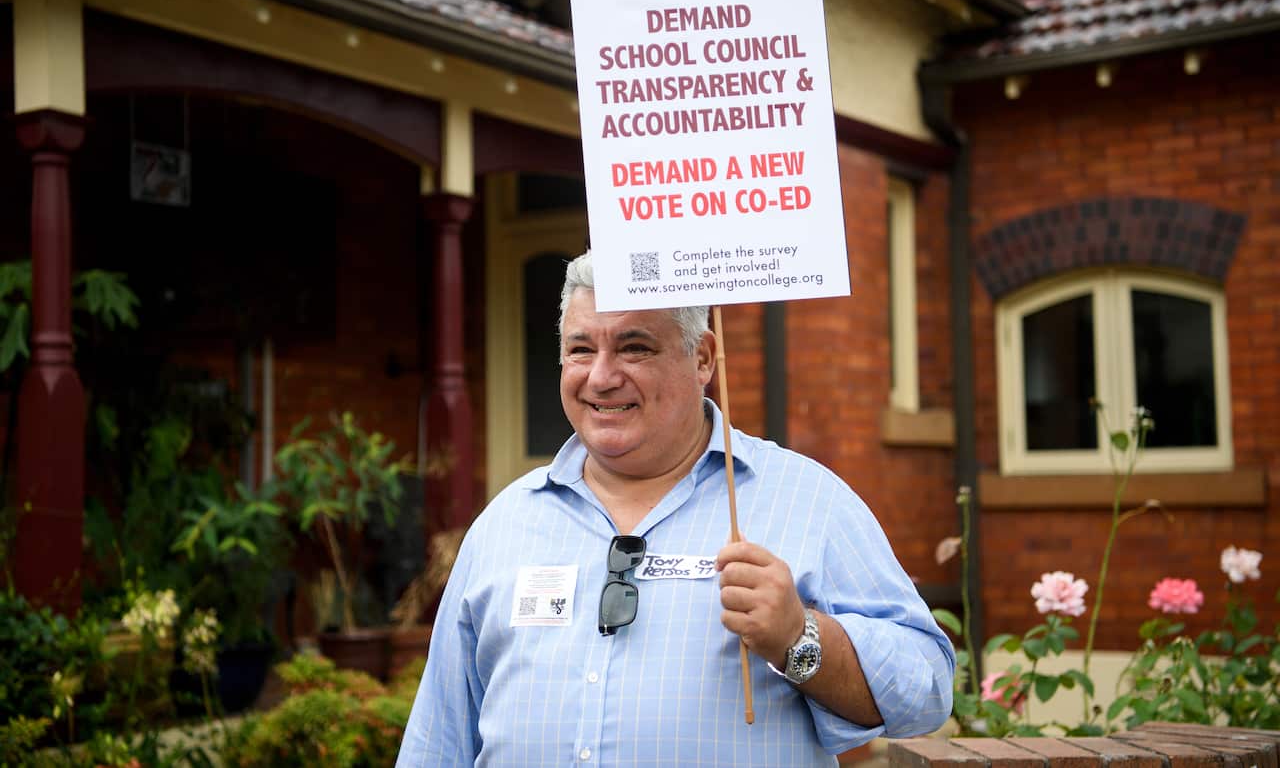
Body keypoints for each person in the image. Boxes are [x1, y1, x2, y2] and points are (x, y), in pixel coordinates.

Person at [397, 251, 954, 767]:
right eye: (581, 348)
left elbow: (926, 693)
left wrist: (799, 637)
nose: (601, 376)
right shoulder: (504, 524)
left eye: (635, 347)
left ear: (704, 357)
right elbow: (438, 741)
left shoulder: (807, 502)